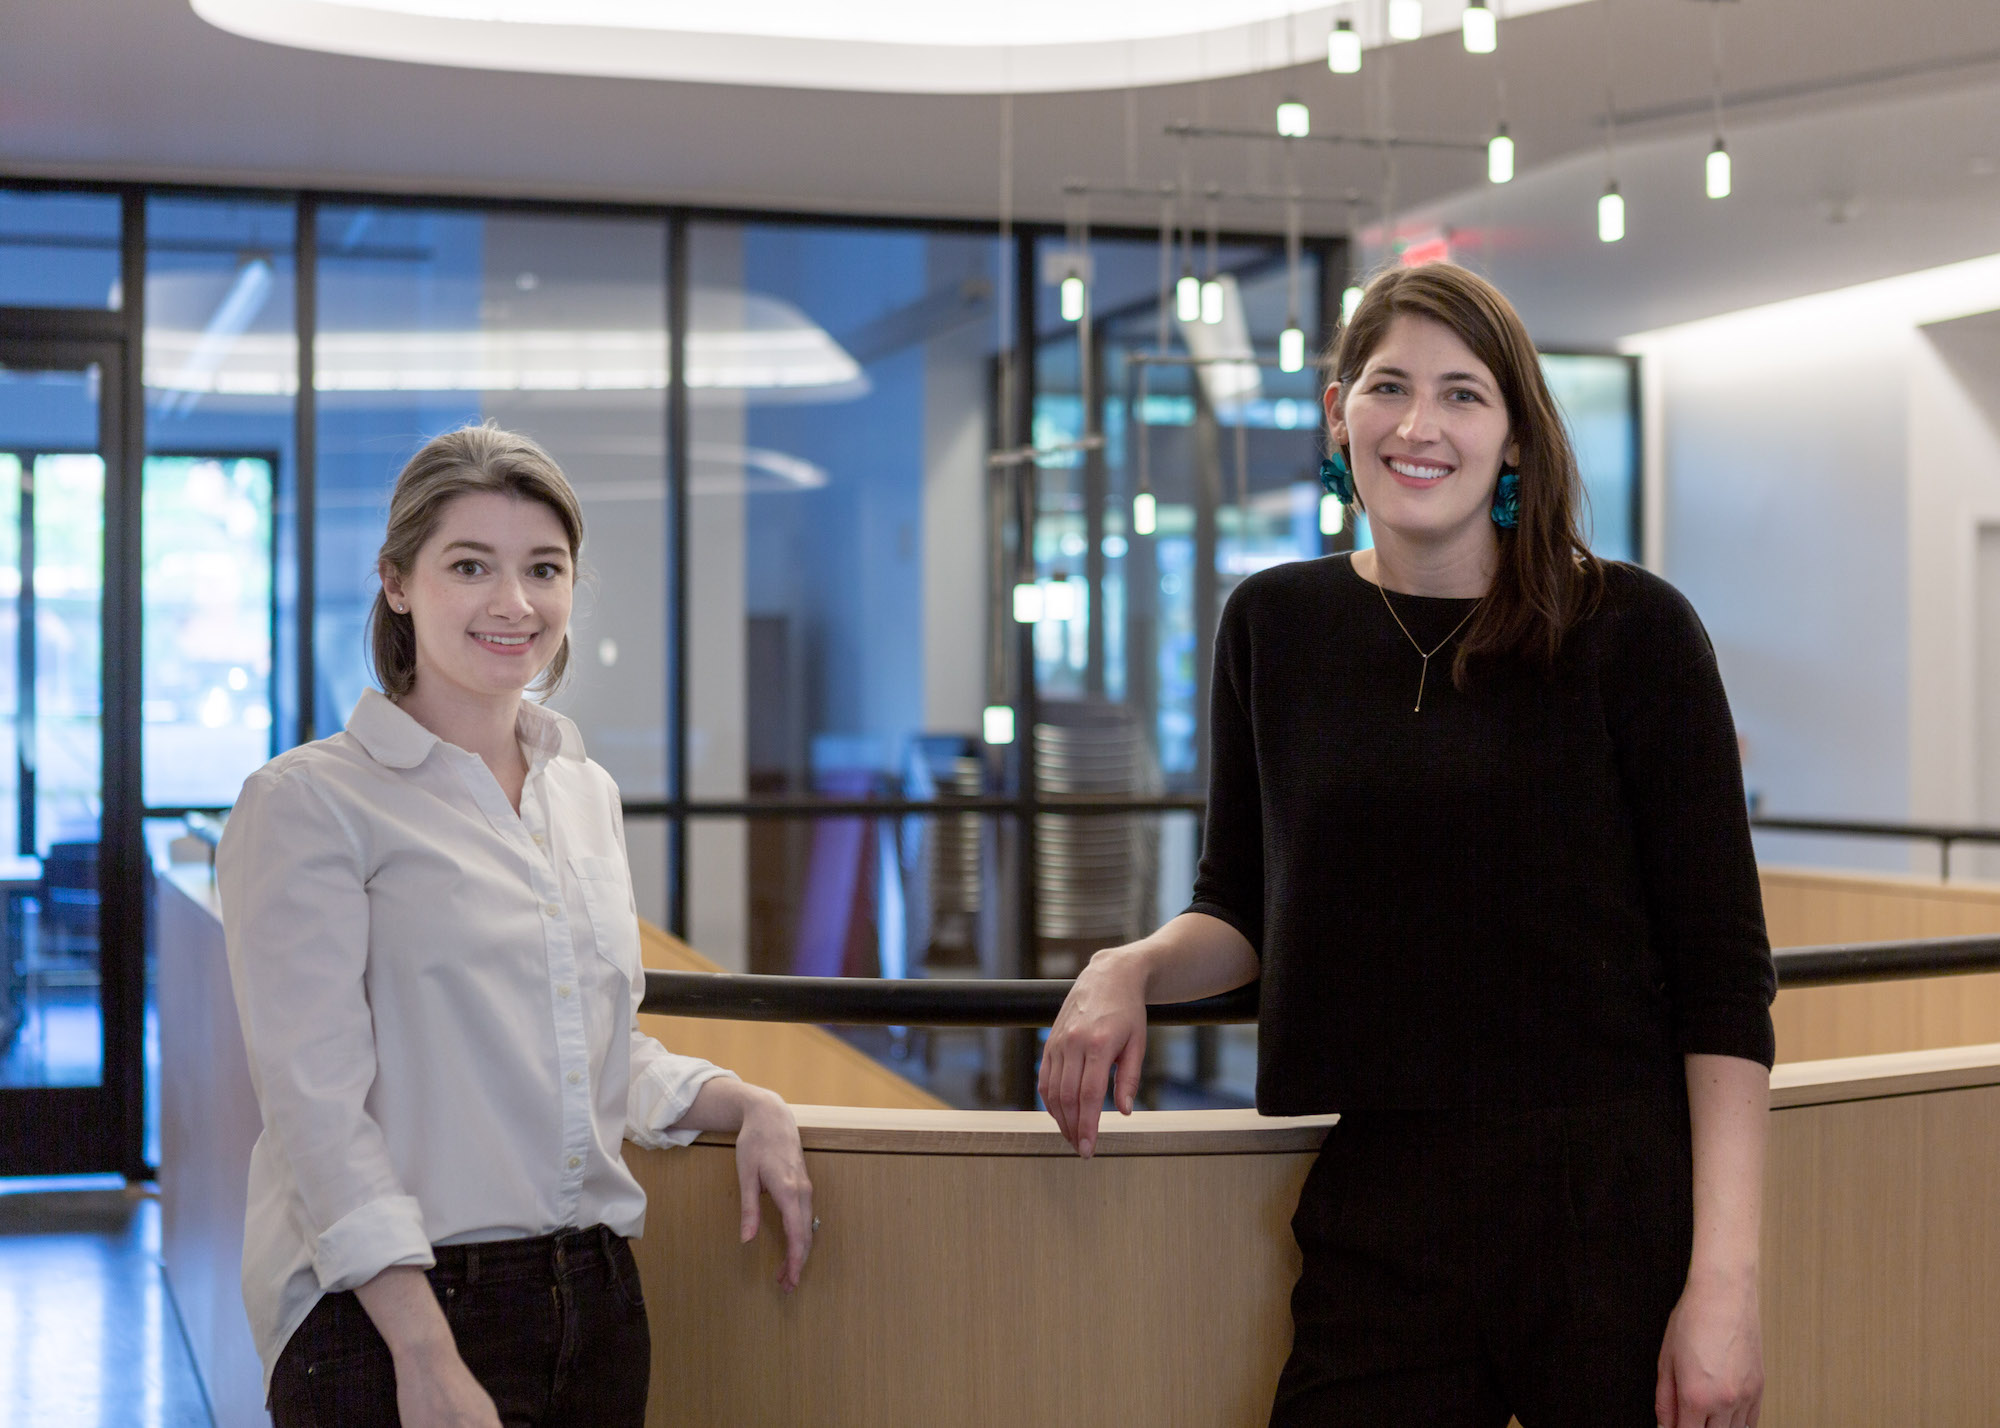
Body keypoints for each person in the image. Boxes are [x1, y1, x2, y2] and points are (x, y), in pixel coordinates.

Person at [1039, 264, 1774, 1428]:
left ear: (1515, 439)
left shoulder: (1630, 631)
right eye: (1388, 387)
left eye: (1462, 395)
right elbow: (1240, 909)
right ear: (1339, 415)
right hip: (1383, 1196)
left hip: (1607, 1206)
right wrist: (1123, 966)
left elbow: (1723, 983)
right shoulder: (1273, 626)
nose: (1418, 426)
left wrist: (1722, 1284)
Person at [218, 425, 815, 1428]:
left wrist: (745, 1101)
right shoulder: (309, 801)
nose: (515, 603)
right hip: (389, 1317)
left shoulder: (579, 790)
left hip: (595, 1298)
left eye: (544, 568)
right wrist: (423, 1350)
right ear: (398, 583)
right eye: (470, 566)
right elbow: (316, 1112)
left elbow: (584, 1047)